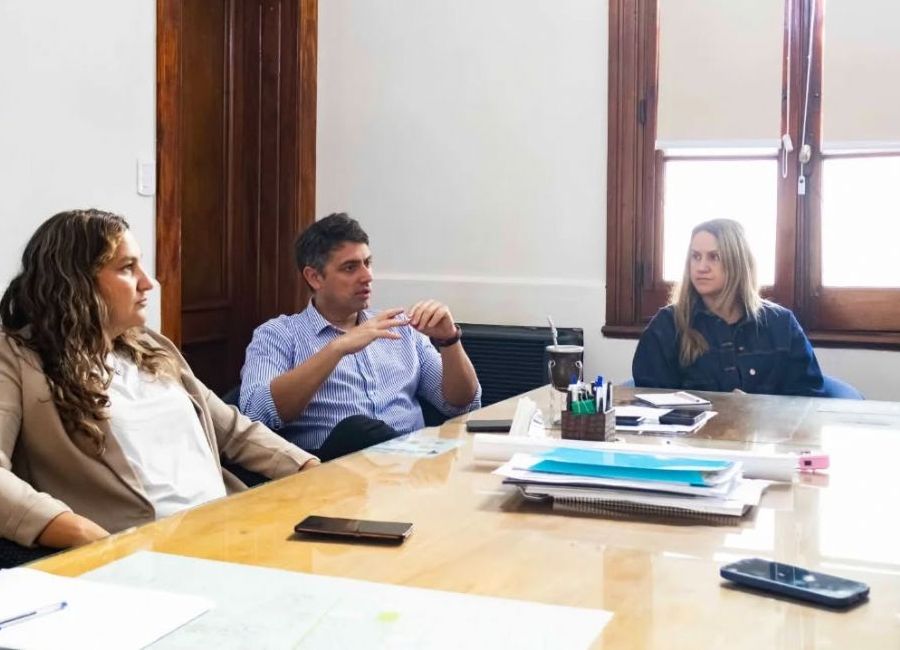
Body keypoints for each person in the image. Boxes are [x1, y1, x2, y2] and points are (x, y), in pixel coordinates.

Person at [0, 210, 319, 550]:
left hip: (228, 532)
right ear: (75, 282)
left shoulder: (151, 345)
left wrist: (311, 469)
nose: (148, 282)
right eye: (127, 268)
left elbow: (232, 430)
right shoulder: (19, 358)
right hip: (139, 554)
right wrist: (82, 533)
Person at [240, 213, 481, 457]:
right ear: (314, 277)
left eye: (368, 263)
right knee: (358, 430)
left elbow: (461, 404)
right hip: (333, 468)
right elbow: (256, 414)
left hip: (413, 463)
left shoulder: (400, 327)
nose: (367, 276)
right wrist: (337, 348)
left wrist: (449, 339)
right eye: (350, 268)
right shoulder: (278, 335)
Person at [632, 218, 825, 396]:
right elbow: (650, 401)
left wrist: (757, 410)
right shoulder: (667, 325)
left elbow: (809, 400)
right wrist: (723, 410)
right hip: (693, 425)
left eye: (714, 257)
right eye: (696, 256)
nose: (701, 267)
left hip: (767, 424)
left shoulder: (781, 324)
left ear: (738, 262)